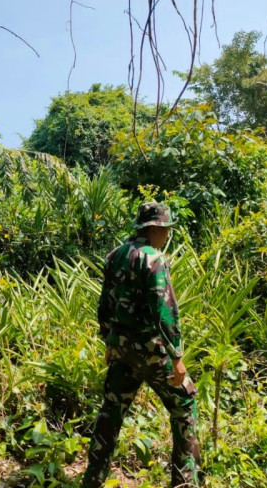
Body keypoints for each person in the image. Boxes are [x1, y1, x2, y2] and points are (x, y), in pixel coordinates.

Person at [81, 202, 201, 488]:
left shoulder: (115, 255)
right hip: (152, 351)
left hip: (122, 349)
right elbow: (165, 310)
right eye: (167, 230)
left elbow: (105, 304)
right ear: (156, 229)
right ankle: (186, 483)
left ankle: (92, 480)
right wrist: (177, 356)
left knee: (111, 412)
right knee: (185, 405)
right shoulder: (153, 259)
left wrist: (108, 340)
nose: (168, 235)